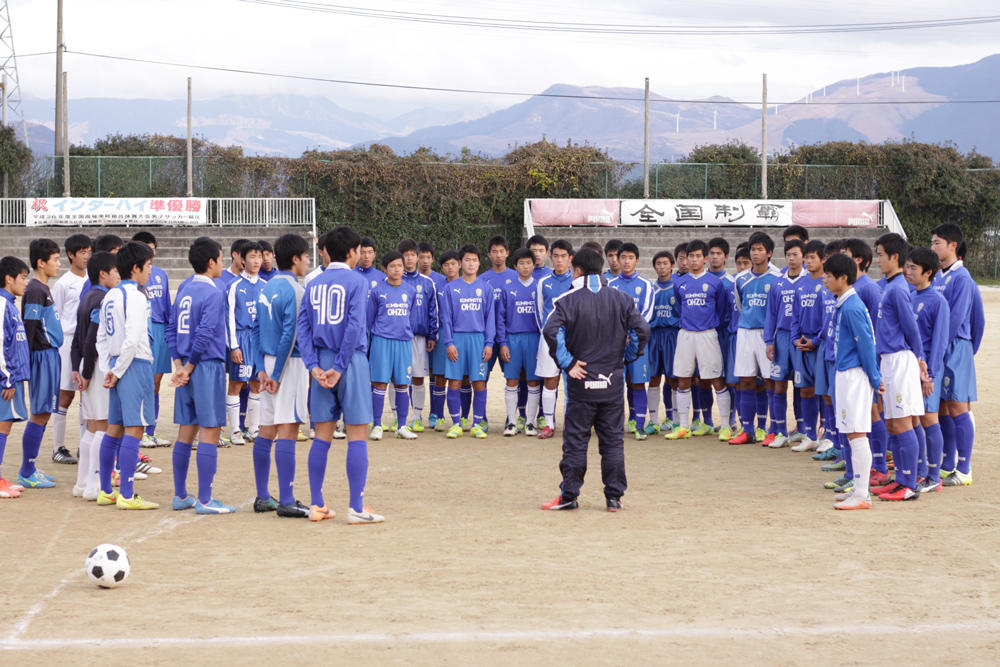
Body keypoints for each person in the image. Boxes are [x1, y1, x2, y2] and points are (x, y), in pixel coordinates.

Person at [540, 248, 650, 512]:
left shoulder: (567, 300)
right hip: (612, 382)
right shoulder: (622, 298)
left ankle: (569, 496)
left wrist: (568, 363)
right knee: (612, 442)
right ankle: (614, 498)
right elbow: (642, 329)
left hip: (581, 385)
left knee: (576, 442)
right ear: (600, 269)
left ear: (577, 270)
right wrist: (627, 357)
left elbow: (550, 330)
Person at [298, 225, 384, 524]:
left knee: (321, 435)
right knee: (357, 434)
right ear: (351, 252)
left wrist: (313, 366)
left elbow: (303, 328)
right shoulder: (357, 281)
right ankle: (356, 507)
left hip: (321, 363)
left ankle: (317, 504)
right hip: (350, 361)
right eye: (358, 249)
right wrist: (341, 365)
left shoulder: (313, 283)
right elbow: (355, 325)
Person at [167, 237, 236, 514]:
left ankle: (181, 494)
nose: (222, 263)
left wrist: (180, 365)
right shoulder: (213, 292)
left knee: (186, 430)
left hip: (186, 366)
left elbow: (171, 329)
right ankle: (206, 499)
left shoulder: (184, 289)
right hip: (205, 366)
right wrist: (191, 366)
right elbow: (205, 332)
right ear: (211, 262)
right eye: (220, 258)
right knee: (209, 429)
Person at [253, 233, 313, 517]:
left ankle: (263, 496)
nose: (308, 262)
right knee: (288, 427)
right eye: (307, 257)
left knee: (266, 429)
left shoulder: (266, 288)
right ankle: (287, 500)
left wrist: (261, 369)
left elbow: (255, 329)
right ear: (295, 259)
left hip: (267, 361)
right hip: (289, 364)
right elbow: (290, 334)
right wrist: (276, 373)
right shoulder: (296, 290)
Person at [95, 241, 158, 510]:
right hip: (134, 364)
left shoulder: (109, 295)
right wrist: (119, 370)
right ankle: (128, 494)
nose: (150, 270)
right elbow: (132, 339)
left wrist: (108, 369)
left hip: (115, 364)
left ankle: (106, 491)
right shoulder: (136, 296)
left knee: (114, 428)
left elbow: (101, 338)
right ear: (135, 267)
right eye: (148, 265)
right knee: (135, 428)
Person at [868, 233, 925, 501]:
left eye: (881, 255)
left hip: (900, 360)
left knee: (902, 422)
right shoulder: (890, 287)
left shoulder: (899, 288)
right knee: (892, 422)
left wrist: (920, 358)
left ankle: (909, 484)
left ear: (895, 257)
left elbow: (912, 329)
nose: (877, 259)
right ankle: (900, 478)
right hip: (888, 361)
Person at [824, 253, 881, 511]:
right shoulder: (844, 304)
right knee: (851, 433)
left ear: (843, 278)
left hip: (855, 375)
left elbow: (867, 344)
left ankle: (861, 494)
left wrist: (875, 378)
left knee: (857, 434)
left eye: (828, 276)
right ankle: (859, 489)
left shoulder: (853, 307)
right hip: (846, 373)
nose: (825, 280)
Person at [930, 223, 984, 486]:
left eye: (937, 243)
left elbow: (964, 319)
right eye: (932, 243)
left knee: (957, 405)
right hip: (939, 348)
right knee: (941, 405)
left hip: (954, 347)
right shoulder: (938, 276)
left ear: (953, 245)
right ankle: (947, 463)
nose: (933, 247)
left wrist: (964, 350)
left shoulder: (962, 278)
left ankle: (964, 469)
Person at [665, 240, 732, 440]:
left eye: (697, 256)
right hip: (685, 334)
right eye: (690, 256)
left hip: (708, 334)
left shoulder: (715, 282)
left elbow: (721, 309)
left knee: (716, 379)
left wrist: (707, 324)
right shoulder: (679, 283)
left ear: (705, 258)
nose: (694, 260)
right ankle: (684, 426)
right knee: (683, 379)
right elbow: (679, 307)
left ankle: (726, 426)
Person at [70, 251, 120, 501]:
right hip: (97, 367)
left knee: (91, 427)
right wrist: (89, 372)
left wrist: (76, 368)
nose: (118, 276)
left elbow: (77, 340)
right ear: (103, 273)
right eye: (115, 271)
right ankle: (95, 484)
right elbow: (91, 339)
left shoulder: (87, 297)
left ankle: (82, 484)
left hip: (85, 365)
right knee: (103, 425)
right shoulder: (102, 299)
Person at [841, 237, 888, 486]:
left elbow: (872, 330)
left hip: (863, 363)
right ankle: (853, 469)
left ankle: (878, 465)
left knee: (871, 412)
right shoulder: (848, 289)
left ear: (858, 259)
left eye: (845, 253)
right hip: (848, 361)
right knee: (853, 418)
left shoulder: (868, 288)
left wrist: (874, 367)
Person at [17, 238, 63, 489]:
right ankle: (26, 471)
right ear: (41, 263)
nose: (59, 263)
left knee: (45, 412)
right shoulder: (35, 290)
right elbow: (29, 327)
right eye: (55, 259)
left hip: (50, 355)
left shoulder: (43, 288)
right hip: (42, 356)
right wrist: (27, 363)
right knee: (40, 412)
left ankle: (31, 467)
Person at [904, 247, 949, 493]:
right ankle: (921, 471)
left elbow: (939, 342)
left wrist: (930, 375)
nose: (908, 271)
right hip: (908, 368)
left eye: (914, 268)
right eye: (907, 266)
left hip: (927, 371)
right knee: (914, 419)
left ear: (928, 272)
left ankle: (934, 475)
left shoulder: (938, 301)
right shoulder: (909, 296)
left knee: (929, 418)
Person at [439, 244, 495, 439]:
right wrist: (449, 342)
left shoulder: (486, 288)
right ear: (461, 263)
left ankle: (477, 424)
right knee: (454, 381)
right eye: (467, 260)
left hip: (478, 340)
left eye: (474, 260)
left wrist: (489, 343)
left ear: (479, 263)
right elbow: (445, 318)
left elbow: (490, 318)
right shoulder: (450, 288)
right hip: (457, 338)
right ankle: (456, 424)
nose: (471, 264)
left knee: (479, 382)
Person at [729, 233, 780, 445]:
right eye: (753, 249)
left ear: (769, 253)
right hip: (745, 332)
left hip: (767, 335)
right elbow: (741, 306)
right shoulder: (740, 279)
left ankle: (772, 429)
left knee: (770, 381)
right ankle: (747, 430)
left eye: (760, 249)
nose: (756, 253)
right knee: (746, 380)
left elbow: (777, 310)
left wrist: (771, 336)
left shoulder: (777, 278)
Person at [367, 251, 419, 441]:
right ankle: (377, 425)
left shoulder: (410, 291)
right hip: (382, 341)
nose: (396, 269)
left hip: (403, 343)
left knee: (402, 384)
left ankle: (402, 426)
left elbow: (411, 319)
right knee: (380, 383)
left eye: (399, 266)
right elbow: (369, 319)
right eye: (392, 266)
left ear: (404, 268)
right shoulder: (377, 291)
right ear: (384, 269)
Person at [50, 233, 91, 465]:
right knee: (65, 395)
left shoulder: (92, 279)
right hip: (67, 342)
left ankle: (84, 444)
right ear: (70, 255)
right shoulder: (63, 283)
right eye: (82, 252)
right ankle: (58, 447)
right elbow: (55, 316)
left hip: (86, 341)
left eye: (89, 252)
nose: (86, 256)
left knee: (87, 394)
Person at [608, 242, 654, 440]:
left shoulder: (646, 285)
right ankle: (615, 425)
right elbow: (607, 313)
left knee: (637, 383)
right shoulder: (610, 285)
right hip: (616, 343)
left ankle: (639, 424)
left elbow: (647, 314)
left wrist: (631, 334)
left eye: (630, 258)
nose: (626, 261)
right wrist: (620, 334)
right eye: (623, 258)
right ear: (618, 260)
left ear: (637, 261)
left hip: (637, 343)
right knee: (616, 384)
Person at [131, 231, 173, 449]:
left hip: (160, 329)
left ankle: (150, 431)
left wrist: (170, 333)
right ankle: (138, 431)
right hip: (142, 330)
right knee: (141, 383)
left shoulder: (161, 274)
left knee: (155, 384)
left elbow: (167, 305)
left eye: (152, 248)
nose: (150, 251)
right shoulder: (131, 276)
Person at [763, 239, 805, 448]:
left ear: (803, 256)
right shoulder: (777, 283)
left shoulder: (809, 281)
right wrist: (768, 340)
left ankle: (803, 429)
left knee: (802, 384)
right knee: (778, 383)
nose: (791, 258)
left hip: (801, 338)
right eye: (788, 254)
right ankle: (779, 430)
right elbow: (771, 314)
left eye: (795, 254)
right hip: (781, 338)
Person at [497, 248, 541, 436]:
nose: (525, 267)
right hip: (513, 339)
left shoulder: (539, 287)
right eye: (521, 263)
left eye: (528, 263)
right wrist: (503, 343)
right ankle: (512, 422)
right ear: (515, 266)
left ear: (534, 265)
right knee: (512, 379)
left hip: (534, 338)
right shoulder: (507, 289)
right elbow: (500, 318)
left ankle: (530, 422)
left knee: (533, 381)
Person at [225, 241, 265, 445]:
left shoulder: (265, 286)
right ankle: (235, 430)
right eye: (252, 257)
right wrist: (233, 346)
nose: (257, 261)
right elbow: (228, 319)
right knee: (236, 384)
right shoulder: (234, 286)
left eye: (259, 257)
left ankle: (254, 428)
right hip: (241, 338)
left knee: (257, 383)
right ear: (242, 259)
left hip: (259, 341)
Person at [788, 240, 827, 451]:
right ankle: (810, 435)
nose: (808, 261)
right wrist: (795, 338)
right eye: (807, 257)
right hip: (802, 344)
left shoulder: (827, 283)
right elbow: (794, 315)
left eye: (813, 257)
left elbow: (828, 318)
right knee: (805, 390)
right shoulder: (801, 284)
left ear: (823, 259)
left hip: (819, 345)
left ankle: (827, 434)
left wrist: (816, 341)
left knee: (824, 392)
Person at [533, 240, 574, 438]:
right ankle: (549, 424)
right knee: (550, 381)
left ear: (570, 258)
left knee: (574, 381)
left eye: (563, 256)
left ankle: (573, 424)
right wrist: (547, 334)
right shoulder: (543, 282)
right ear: (551, 257)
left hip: (573, 339)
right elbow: (539, 312)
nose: (559, 260)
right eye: (556, 256)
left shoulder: (576, 281)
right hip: (550, 339)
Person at [399, 238, 438, 432]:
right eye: (405, 255)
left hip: (420, 338)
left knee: (418, 377)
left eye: (412, 255)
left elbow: (433, 311)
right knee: (398, 378)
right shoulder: (393, 280)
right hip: (398, 337)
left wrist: (432, 335)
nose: (409, 259)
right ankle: (398, 418)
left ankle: (416, 416)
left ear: (417, 257)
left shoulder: (427, 283)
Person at [0, 256, 30, 498]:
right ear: (9, 279)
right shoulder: (2, 305)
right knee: (2, 425)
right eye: (23, 278)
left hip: (11, 378)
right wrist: (7, 379)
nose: (25, 283)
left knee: (5, 426)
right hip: (5, 381)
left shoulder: (9, 304)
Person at [645, 251, 679, 434]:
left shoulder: (678, 287)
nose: (662, 267)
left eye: (665, 263)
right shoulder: (650, 288)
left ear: (672, 266)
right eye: (658, 263)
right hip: (654, 335)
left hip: (672, 335)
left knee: (674, 379)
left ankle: (676, 421)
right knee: (653, 378)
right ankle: (653, 421)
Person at [429, 250, 459, 430]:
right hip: (441, 334)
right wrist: (433, 334)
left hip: (461, 334)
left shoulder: (466, 285)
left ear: (459, 265)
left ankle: (461, 417)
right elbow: (432, 311)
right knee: (439, 376)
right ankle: (438, 416)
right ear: (441, 268)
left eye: (453, 264)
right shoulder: (437, 286)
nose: (450, 267)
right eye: (446, 265)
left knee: (462, 377)